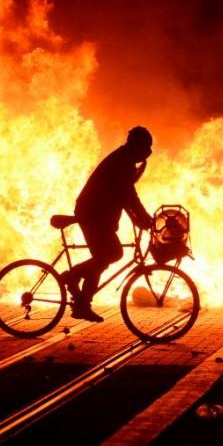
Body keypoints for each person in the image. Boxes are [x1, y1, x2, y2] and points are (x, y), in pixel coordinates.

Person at [64, 126, 154, 321]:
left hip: (98, 214)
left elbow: (124, 197)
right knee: (111, 254)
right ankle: (72, 278)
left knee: (102, 258)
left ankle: (81, 302)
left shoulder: (125, 159)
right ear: (138, 146)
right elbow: (129, 196)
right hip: (92, 214)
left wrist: (140, 219)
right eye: (146, 148)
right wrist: (144, 218)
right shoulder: (123, 163)